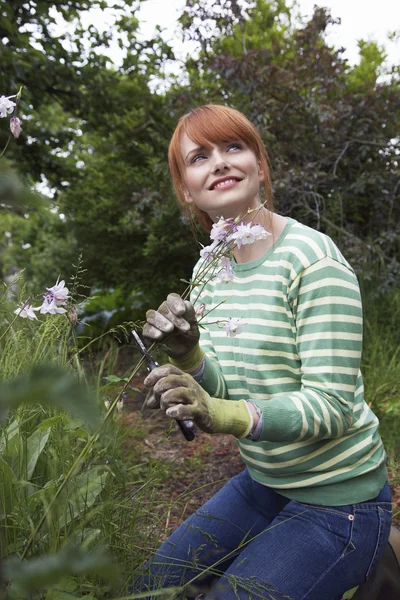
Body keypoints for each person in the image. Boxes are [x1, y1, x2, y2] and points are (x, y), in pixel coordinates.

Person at [133, 105, 392, 600]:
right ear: (187, 188)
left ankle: (377, 554)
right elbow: (231, 387)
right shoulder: (210, 270)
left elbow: (332, 408)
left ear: (259, 165)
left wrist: (217, 412)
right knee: (148, 587)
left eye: (234, 147)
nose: (220, 162)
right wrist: (189, 358)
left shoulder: (312, 260)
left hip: (341, 501)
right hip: (265, 483)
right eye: (200, 156)